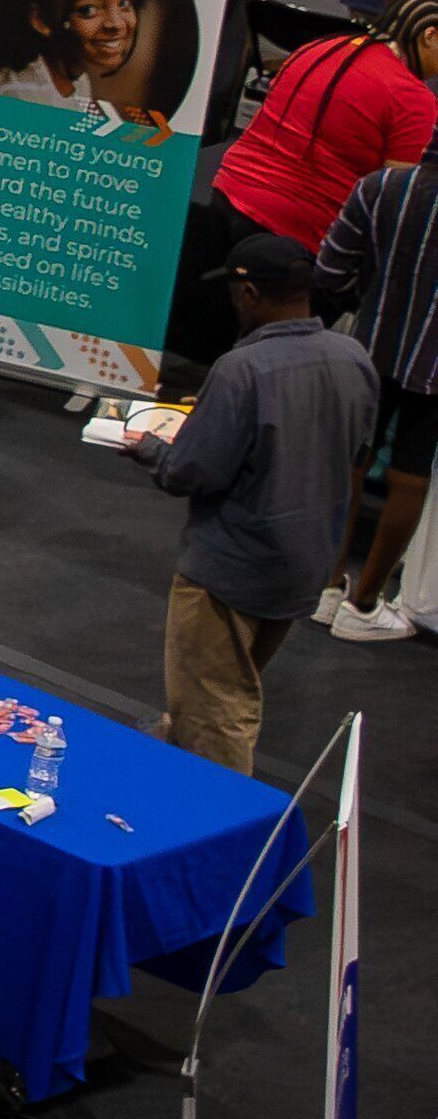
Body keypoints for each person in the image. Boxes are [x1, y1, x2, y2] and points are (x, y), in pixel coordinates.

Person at [146, 229, 380, 772]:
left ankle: (219, 817)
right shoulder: (353, 357)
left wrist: (150, 449)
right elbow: (358, 451)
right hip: (302, 565)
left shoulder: (242, 369)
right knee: (224, 690)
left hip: (230, 568)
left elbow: (191, 471)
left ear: (249, 294)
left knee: (214, 716)